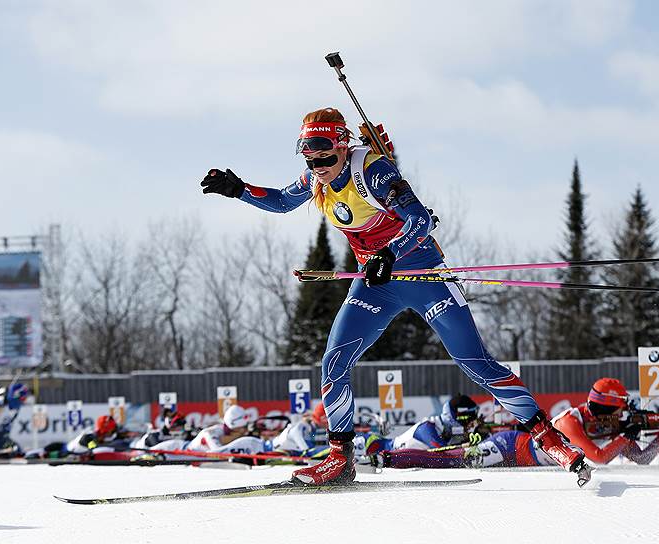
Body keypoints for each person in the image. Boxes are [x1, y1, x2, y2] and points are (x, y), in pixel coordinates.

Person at [201, 107, 589, 485]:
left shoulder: (371, 169)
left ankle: (549, 438)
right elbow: (283, 201)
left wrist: (388, 253)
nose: (316, 164)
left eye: (322, 154)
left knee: (477, 364)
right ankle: (340, 457)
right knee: (334, 361)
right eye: (308, 156)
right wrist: (240, 190)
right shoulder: (316, 178)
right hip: (377, 284)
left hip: (422, 275)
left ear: (341, 146)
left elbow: (420, 220)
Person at [375, 377, 659, 469]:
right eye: (620, 410)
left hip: (523, 457)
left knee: (456, 460)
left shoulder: (611, 426)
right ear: (605, 409)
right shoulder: (571, 420)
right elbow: (597, 458)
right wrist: (624, 435)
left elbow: (642, 459)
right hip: (511, 448)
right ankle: (386, 457)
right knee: (453, 460)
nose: (623, 416)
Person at [186, 405, 264, 455]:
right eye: (244, 427)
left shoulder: (234, 431)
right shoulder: (210, 433)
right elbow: (218, 453)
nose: (245, 430)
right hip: (184, 452)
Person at [0, 383, 29, 456]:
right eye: (22, 398)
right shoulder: (0, 402)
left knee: (17, 451)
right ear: (16, 396)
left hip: (2, 437)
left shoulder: (15, 409)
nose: (23, 401)